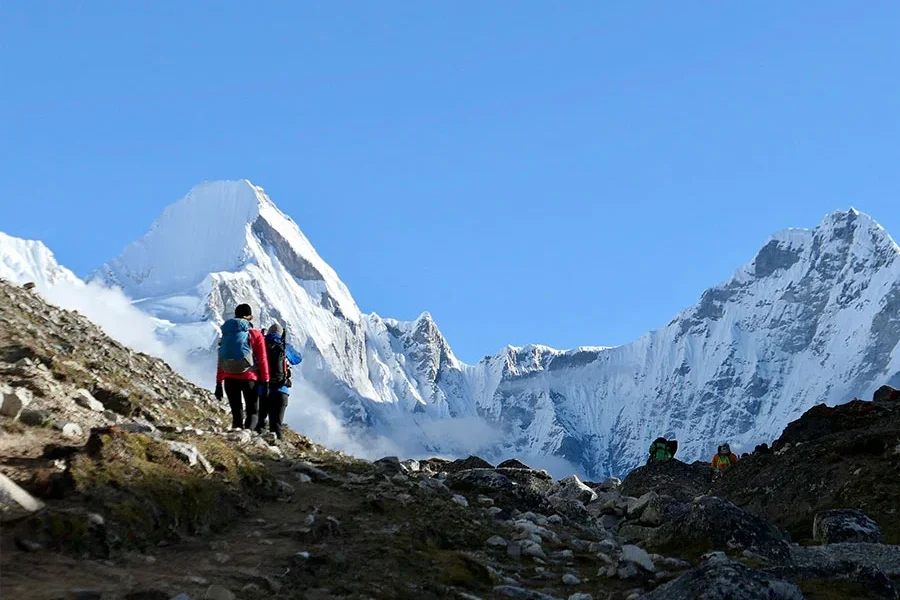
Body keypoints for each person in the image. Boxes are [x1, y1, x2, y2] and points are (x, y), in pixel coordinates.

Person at [214, 304, 269, 430]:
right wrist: (265, 380)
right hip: (249, 378)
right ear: (250, 317)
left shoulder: (227, 334)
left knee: (236, 413)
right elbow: (262, 359)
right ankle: (247, 436)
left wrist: (218, 383)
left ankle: (236, 437)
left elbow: (221, 358)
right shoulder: (255, 334)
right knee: (252, 412)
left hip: (229, 378)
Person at [256, 323, 302, 440]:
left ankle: (257, 445)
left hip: (262, 390)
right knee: (276, 426)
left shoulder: (261, 344)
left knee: (259, 423)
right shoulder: (284, 346)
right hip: (281, 391)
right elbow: (298, 359)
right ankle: (277, 448)